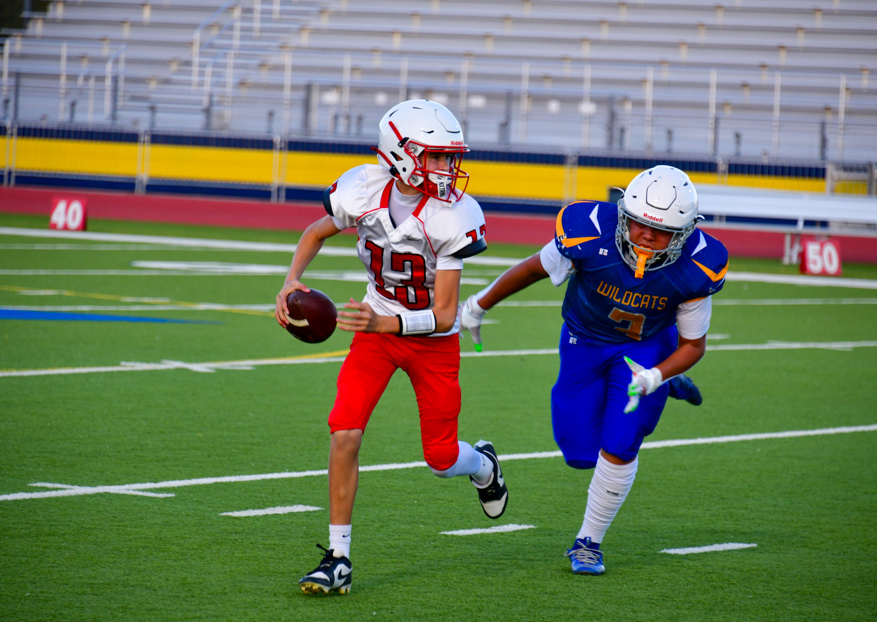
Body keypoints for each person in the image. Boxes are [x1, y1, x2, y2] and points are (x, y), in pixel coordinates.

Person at [275, 99, 508, 595]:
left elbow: (444, 314)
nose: (447, 168)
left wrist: (385, 323)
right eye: (436, 156)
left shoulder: (454, 214)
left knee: (441, 459)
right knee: (344, 433)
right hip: (376, 331)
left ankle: (483, 464)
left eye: (450, 157)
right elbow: (316, 231)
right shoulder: (362, 188)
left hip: (431, 342)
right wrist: (292, 279)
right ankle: (338, 557)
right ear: (400, 155)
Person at [458, 165, 726, 575]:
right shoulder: (589, 233)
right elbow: (533, 268)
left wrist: (655, 374)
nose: (647, 236)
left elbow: (693, 345)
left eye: (661, 231)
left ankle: (588, 543)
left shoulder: (697, 265)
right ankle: (668, 385)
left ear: (685, 232)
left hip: (645, 349)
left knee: (620, 443)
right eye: (639, 224)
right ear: (623, 214)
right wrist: (479, 304)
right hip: (583, 341)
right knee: (580, 452)